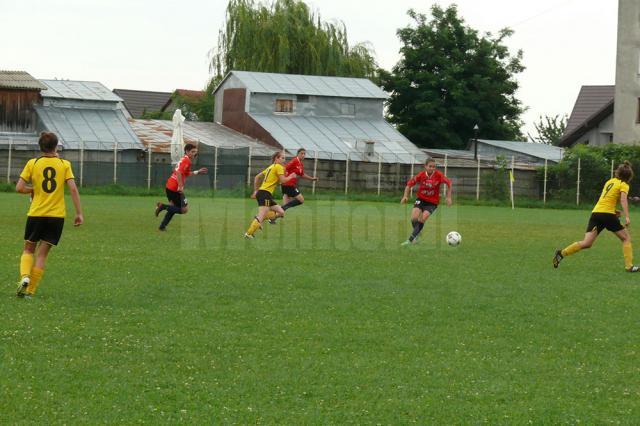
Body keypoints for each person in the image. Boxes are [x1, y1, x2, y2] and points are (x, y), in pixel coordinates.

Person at [15, 131, 83, 298]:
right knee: (42, 254)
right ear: (56, 146)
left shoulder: (33, 163)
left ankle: (25, 277)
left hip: (36, 214)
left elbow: (19, 188)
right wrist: (79, 213)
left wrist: (32, 190)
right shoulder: (64, 164)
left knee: (28, 249)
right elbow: (73, 189)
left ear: (40, 146)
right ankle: (30, 292)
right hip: (56, 216)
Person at [553, 161, 639, 272]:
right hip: (607, 215)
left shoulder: (610, 182)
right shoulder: (624, 185)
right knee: (626, 238)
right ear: (629, 176)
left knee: (587, 243)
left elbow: (606, 198)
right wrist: (627, 216)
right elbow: (623, 199)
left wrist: (614, 210)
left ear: (618, 173)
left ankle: (561, 253)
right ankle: (629, 267)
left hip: (596, 213)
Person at [155, 143, 207, 231]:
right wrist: (180, 186)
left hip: (169, 186)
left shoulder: (185, 160)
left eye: (196, 152)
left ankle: (162, 226)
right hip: (175, 188)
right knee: (184, 209)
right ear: (187, 151)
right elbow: (179, 172)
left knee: (173, 208)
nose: (195, 153)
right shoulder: (187, 160)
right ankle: (162, 206)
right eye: (193, 151)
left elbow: (185, 173)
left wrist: (197, 172)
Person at [244, 151, 297, 239]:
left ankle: (260, 218)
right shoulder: (279, 167)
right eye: (282, 158)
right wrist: (291, 176)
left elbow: (257, 177)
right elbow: (283, 181)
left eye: (284, 158)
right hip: (265, 194)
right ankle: (249, 233)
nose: (284, 160)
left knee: (281, 212)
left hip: (263, 193)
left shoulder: (271, 167)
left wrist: (256, 191)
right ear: (276, 158)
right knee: (261, 216)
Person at [400, 158, 452, 246]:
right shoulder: (421, 175)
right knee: (414, 218)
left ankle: (410, 240)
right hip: (421, 199)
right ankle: (417, 232)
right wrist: (405, 196)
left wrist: (448, 197)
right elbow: (409, 185)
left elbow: (449, 183)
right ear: (425, 166)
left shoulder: (439, 175)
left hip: (432, 202)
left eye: (434, 167)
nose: (432, 168)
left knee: (422, 219)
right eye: (430, 166)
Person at [276, 148, 318, 218]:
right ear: (297, 154)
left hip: (287, 185)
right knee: (301, 200)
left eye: (304, 154)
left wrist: (312, 179)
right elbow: (285, 168)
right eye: (301, 153)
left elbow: (302, 174)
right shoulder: (295, 160)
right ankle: (278, 209)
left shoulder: (300, 164)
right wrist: (282, 178)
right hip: (288, 184)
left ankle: (273, 216)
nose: (303, 155)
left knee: (284, 208)